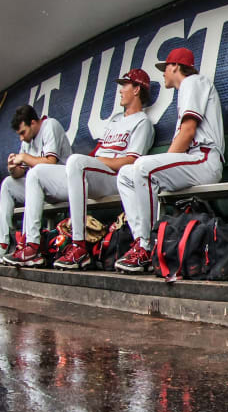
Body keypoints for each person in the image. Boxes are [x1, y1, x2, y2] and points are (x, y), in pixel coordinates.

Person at [3, 69, 154, 269]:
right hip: (93, 172)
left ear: (136, 89)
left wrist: (94, 162)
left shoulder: (143, 122)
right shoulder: (116, 120)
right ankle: (31, 247)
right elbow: (96, 153)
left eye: (125, 85)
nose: (120, 90)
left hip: (114, 178)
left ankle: (79, 247)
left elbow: (130, 162)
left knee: (74, 161)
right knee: (37, 173)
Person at [113, 47, 224, 272]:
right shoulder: (186, 89)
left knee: (143, 167)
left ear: (175, 66)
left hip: (204, 158)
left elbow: (188, 131)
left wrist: (159, 164)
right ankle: (141, 241)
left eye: (166, 68)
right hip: (193, 159)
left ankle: (148, 246)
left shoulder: (192, 82)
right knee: (125, 174)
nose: (163, 73)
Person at [0, 105, 70, 257]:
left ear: (33, 122)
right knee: (8, 184)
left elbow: (51, 162)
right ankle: (5, 244)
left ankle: (32, 245)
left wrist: (24, 157)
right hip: (40, 189)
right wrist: (13, 168)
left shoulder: (50, 125)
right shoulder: (27, 140)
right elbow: (21, 172)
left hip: (63, 184)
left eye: (23, 132)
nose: (21, 138)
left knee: (35, 173)